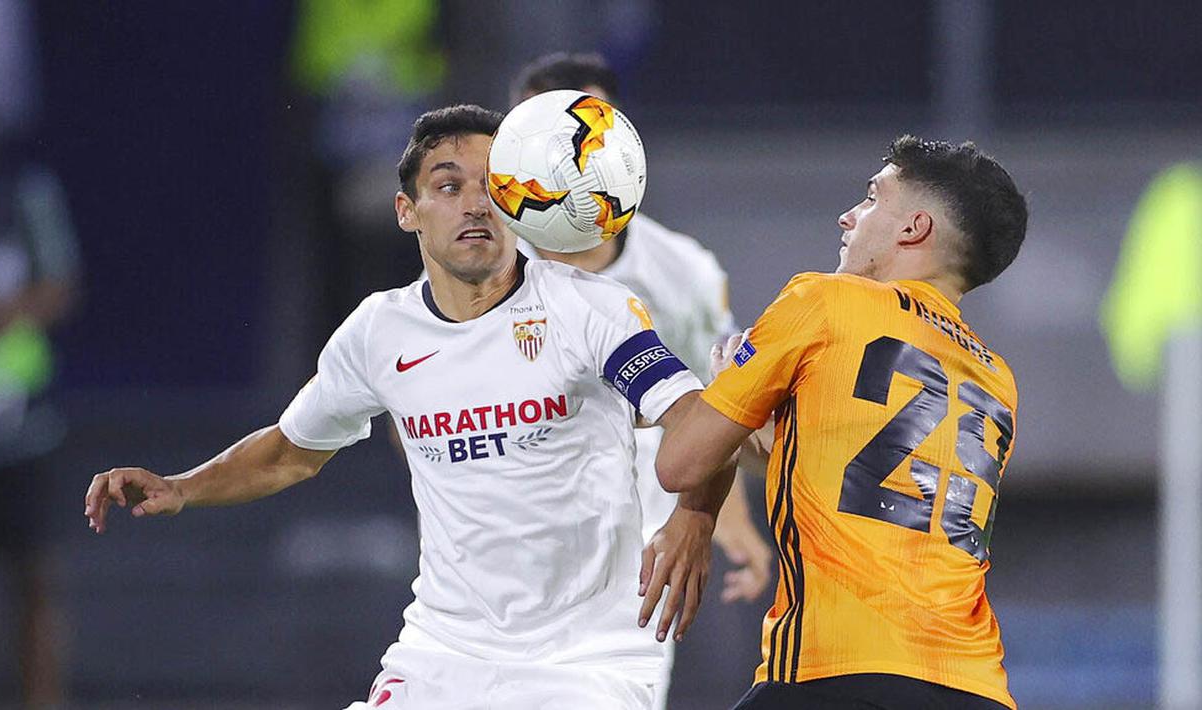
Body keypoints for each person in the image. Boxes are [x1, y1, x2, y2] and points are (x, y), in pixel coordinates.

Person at [85, 104, 734, 710]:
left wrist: (696, 516)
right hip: (444, 651)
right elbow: (289, 452)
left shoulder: (588, 310)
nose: (475, 203)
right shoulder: (378, 333)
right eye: (449, 186)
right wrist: (180, 487)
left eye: (491, 185)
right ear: (407, 210)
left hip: (587, 658)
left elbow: (699, 419)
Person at [656, 136, 1028, 709]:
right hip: (973, 685)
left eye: (873, 198)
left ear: (913, 229)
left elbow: (680, 462)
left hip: (837, 671)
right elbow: (837, 464)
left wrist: (722, 381)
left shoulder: (825, 301)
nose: (849, 216)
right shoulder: (995, 378)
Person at [512, 51, 773, 710]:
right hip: (505, 526)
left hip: (630, 537)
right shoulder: (479, 259)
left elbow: (717, 405)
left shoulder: (681, 272)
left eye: (590, 133)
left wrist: (727, 519)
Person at [0, 110, 79, 708]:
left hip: (21, 429)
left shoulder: (22, 199)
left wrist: (6, 314)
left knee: (34, 580)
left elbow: (60, 286)